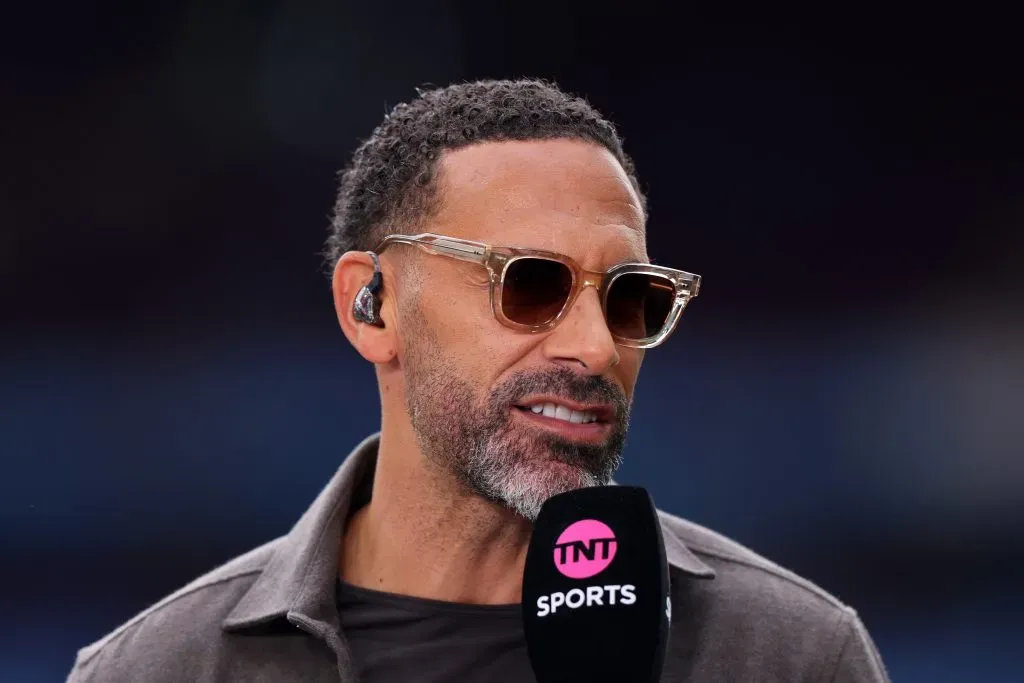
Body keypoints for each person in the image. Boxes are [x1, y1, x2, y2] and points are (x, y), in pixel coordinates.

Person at [67, 79, 889, 682]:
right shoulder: (160, 669)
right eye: (532, 284)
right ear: (372, 305)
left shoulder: (793, 655)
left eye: (631, 297)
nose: (596, 347)